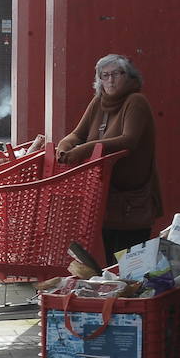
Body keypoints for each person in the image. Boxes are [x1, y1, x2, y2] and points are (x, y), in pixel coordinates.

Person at [54, 54, 163, 264]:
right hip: (105, 197)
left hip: (132, 201)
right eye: (105, 76)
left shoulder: (136, 101)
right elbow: (78, 134)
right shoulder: (99, 102)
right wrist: (64, 146)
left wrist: (84, 150)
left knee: (130, 265)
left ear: (128, 76)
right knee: (111, 261)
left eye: (116, 74)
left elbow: (128, 140)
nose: (110, 80)